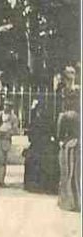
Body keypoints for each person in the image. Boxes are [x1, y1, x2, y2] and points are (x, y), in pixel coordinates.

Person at [22, 98, 58, 194]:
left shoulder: (36, 121)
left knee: (34, 161)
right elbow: (54, 134)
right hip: (45, 146)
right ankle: (44, 185)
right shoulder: (48, 120)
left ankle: (35, 185)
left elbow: (31, 136)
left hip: (38, 146)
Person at [57, 66, 80, 212]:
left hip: (75, 137)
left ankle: (75, 202)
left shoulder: (78, 91)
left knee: (74, 172)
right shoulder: (64, 93)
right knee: (66, 171)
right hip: (67, 137)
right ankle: (67, 202)